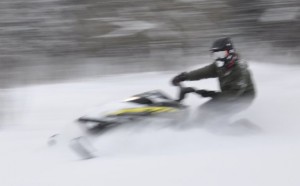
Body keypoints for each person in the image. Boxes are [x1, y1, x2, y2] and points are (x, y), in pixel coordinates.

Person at [171, 37, 256, 128]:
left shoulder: (239, 70)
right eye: (215, 55)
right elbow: (204, 72)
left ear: (230, 52)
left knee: (212, 117)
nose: (218, 58)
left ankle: (245, 129)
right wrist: (184, 76)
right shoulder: (221, 66)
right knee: (204, 111)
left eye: (221, 54)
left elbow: (232, 94)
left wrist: (206, 93)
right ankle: (198, 129)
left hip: (242, 98)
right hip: (227, 95)